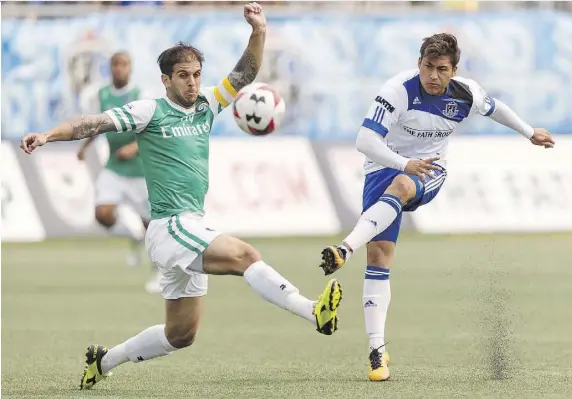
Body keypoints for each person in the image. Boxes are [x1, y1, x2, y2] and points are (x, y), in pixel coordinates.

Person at [21, 3, 343, 390]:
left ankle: (103, 362)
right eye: (183, 76)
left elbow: (244, 74)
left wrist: (259, 31)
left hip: (189, 224)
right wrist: (46, 136)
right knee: (246, 255)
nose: (192, 83)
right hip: (170, 226)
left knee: (181, 334)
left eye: (196, 75)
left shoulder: (207, 103)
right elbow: (94, 123)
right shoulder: (149, 111)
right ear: (165, 80)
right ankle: (313, 311)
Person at [318, 33, 555, 382]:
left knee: (401, 187)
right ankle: (376, 351)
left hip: (430, 169)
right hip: (385, 166)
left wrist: (527, 131)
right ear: (419, 64)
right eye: (427, 67)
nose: (432, 75)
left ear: (453, 71)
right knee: (380, 256)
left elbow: (495, 108)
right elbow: (364, 140)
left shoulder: (465, 92)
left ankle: (344, 248)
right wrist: (402, 162)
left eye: (441, 69)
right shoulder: (398, 89)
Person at [77, 52, 159, 292]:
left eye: (124, 65)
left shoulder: (140, 95)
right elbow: (96, 124)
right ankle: (133, 237)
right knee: (102, 214)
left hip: (139, 170)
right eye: (115, 65)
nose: (119, 69)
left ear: (130, 68)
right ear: (110, 68)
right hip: (113, 165)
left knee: (151, 225)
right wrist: (84, 146)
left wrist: (134, 147)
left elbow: (151, 128)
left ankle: (159, 273)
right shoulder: (102, 95)